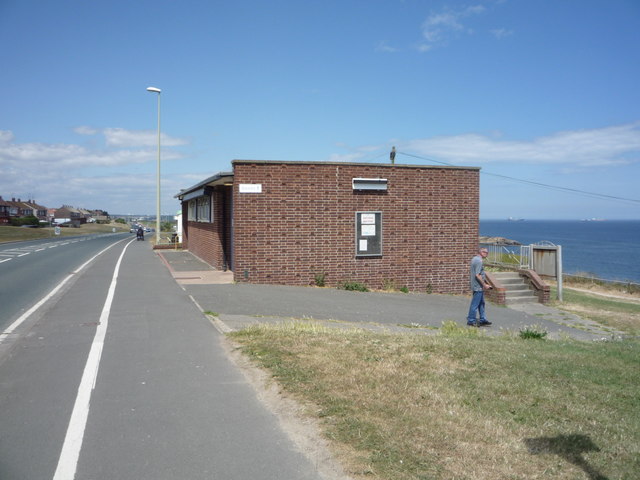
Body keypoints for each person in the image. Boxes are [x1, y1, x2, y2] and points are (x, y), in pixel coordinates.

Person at [467, 247, 492, 326]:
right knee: (475, 304)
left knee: (481, 303)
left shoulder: (474, 259)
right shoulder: (479, 261)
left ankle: (483, 319)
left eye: (487, 252)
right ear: (481, 252)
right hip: (478, 286)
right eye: (485, 252)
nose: (487, 254)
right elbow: (477, 275)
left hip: (476, 285)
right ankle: (471, 320)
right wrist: (484, 285)